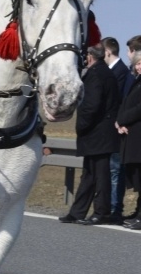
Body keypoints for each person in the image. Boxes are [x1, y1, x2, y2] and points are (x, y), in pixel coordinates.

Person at [58, 44, 120, 225]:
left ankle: (102, 212)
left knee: (100, 176)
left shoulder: (96, 75)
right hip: (100, 133)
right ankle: (77, 211)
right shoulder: (104, 73)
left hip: (97, 133)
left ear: (90, 57)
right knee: (90, 174)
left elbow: (91, 106)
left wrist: (81, 126)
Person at [101, 36, 129, 223]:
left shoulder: (119, 72)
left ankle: (114, 209)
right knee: (111, 171)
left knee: (115, 170)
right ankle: (109, 208)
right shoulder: (115, 71)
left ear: (108, 52)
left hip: (116, 130)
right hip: (108, 131)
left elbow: (115, 101)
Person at [116, 50, 141, 230]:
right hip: (133, 135)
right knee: (137, 176)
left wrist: (123, 119)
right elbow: (126, 104)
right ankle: (138, 213)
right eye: (137, 63)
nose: (139, 67)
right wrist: (119, 121)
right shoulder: (137, 81)